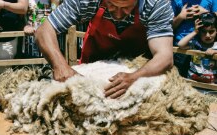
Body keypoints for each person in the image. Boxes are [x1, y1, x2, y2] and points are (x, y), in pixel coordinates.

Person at [35, 0, 174, 99]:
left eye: (126, 8)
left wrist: (134, 77)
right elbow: (44, 31)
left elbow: (164, 56)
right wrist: (60, 66)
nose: (118, 14)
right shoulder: (85, 1)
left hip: (138, 65)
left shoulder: (155, 4)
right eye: (111, 5)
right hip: (97, 61)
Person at [172, 0, 213, 75]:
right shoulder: (175, 1)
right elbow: (168, 28)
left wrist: (206, 12)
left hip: (204, 47)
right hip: (181, 48)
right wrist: (180, 17)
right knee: (180, 78)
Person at [177, 13, 217, 83]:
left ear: (216, 31)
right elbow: (181, 44)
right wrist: (195, 31)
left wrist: (215, 52)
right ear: (199, 32)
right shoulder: (195, 44)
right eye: (204, 32)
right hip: (193, 86)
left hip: (211, 88)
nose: (207, 35)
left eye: (211, 31)